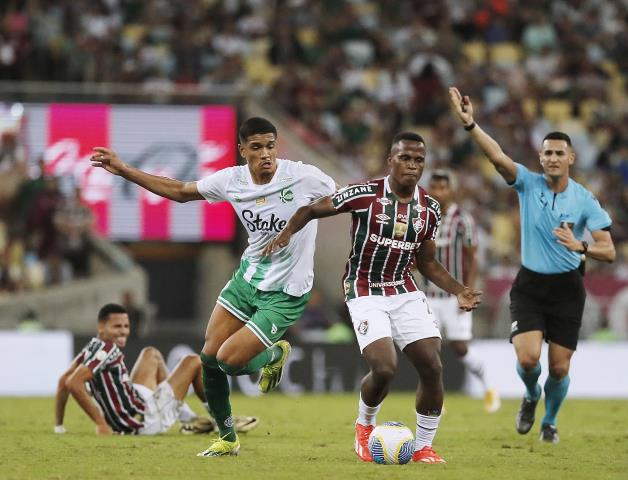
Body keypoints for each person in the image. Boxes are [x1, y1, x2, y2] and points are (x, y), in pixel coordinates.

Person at [90, 117, 336, 456]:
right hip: (247, 279)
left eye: (270, 146)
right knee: (208, 356)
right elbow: (179, 192)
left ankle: (273, 354)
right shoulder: (231, 180)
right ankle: (228, 438)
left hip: (286, 292)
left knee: (230, 361)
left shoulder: (303, 176)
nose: (266, 154)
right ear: (242, 150)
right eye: (256, 147)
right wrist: (125, 169)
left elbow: (340, 199)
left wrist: (301, 221)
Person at [264, 132, 482, 464]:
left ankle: (423, 445)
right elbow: (311, 209)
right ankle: (364, 427)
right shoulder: (365, 194)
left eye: (418, 160)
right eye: (405, 158)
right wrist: (287, 233)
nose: (412, 165)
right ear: (390, 160)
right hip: (364, 289)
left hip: (404, 289)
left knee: (432, 366)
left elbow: (426, 262)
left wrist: (458, 289)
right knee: (385, 367)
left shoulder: (430, 209)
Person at [449, 87, 616, 443]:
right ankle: (529, 395)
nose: (553, 158)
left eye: (559, 153)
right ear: (540, 158)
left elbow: (610, 251)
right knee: (528, 362)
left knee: (558, 367)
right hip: (530, 286)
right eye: (547, 153)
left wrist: (581, 246)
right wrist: (471, 125)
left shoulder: (585, 200)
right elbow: (497, 157)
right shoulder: (527, 183)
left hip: (568, 287)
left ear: (571, 157)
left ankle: (550, 421)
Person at [54, 303, 259, 436]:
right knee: (194, 361)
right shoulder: (106, 350)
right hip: (145, 418)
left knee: (150, 353)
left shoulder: (92, 346)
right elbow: (72, 383)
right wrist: (100, 424)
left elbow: (63, 380)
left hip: (136, 403)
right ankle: (219, 420)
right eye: (117, 327)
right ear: (101, 328)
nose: (123, 331)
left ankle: (189, 418)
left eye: (125, 326)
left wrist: (59, 426)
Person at [423, 169, 500, 413]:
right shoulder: (422, 217)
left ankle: (489, 387)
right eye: (434, 187)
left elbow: (473, 259)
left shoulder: (462, 220)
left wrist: (466, 291)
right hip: (428, 296)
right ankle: (435, 399)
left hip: (453, 295)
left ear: (451, 190)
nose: (438, 192)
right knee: (426, 348)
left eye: (443, 188)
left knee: (460, 348)